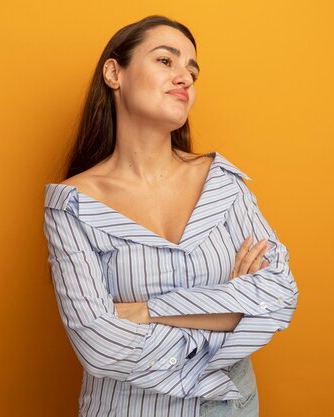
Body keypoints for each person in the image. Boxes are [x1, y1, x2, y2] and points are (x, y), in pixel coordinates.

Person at [42, 15, 299, 417]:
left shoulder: (223, 183)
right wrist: (227, 308)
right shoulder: (72, 205)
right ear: (114, 72)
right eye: (166, 61)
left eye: (192, 72)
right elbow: (98, 345)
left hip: (229, 407)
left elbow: (278, 294)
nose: (185, 78)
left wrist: (143, 310)